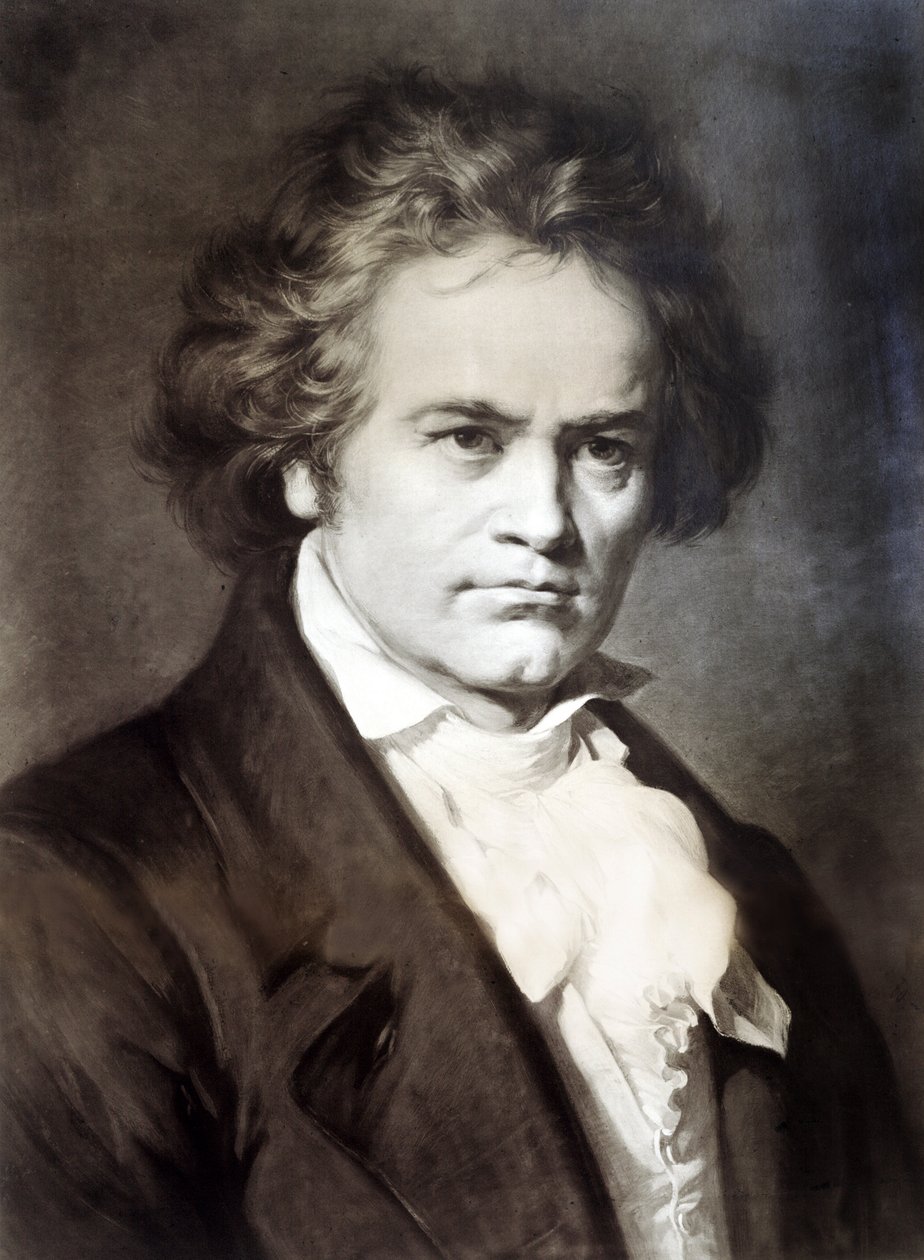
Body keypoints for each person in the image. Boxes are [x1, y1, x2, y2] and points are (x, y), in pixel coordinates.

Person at [0, 67, 919, 1260]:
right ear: (306, 453)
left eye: (602, 447)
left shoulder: (743, 884)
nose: (545, 520)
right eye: (469, 438)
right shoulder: (71, 897)